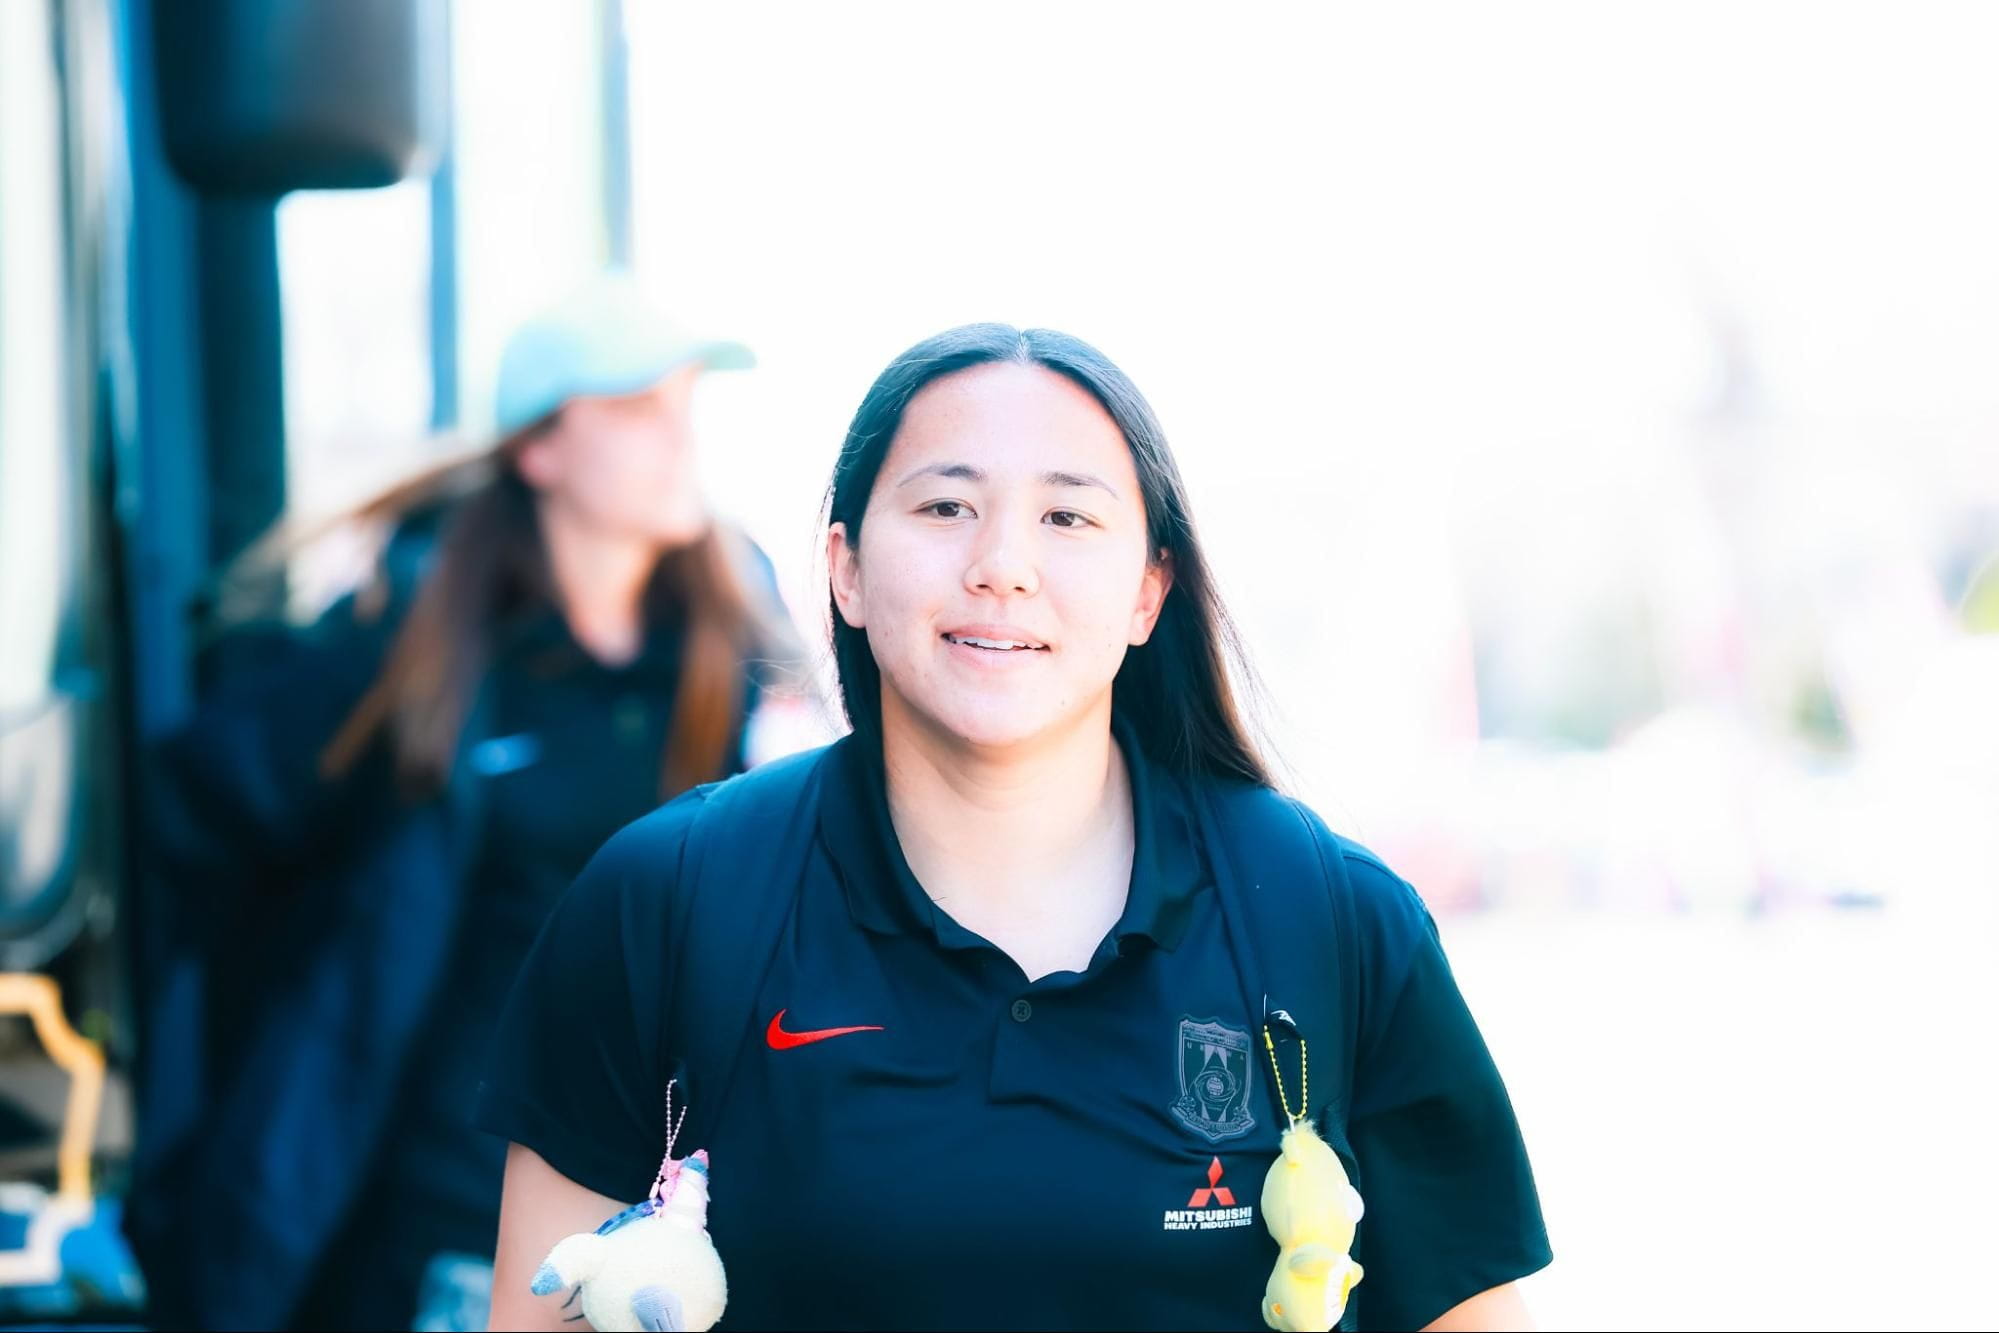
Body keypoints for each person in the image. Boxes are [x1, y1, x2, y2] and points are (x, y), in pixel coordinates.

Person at [478, 325, 1551, 1331]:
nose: (1002, 564)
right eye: (946, 506)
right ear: (846, 569)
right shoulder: (668, 897)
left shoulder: (1332, 917)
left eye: (1067, 517)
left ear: (1149, 591)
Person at [125, 275, 802, 1332]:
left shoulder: (735, 645)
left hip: (655, 1217)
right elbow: (194, 814)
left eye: (683, 405)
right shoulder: (418, 641)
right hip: (443, 1210)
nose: (678, 438)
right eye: (635, 408)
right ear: (540, 451)